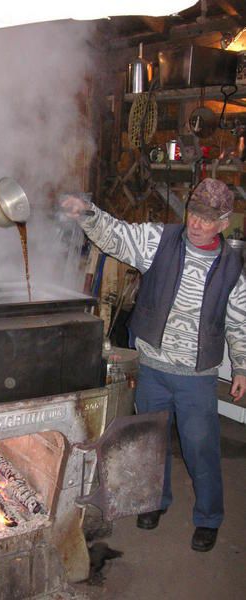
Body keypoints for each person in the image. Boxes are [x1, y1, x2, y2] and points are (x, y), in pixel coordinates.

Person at [62, 178, 245, 552]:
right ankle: (155, 502)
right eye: (194, 212)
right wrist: (88, 214)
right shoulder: (159, 240)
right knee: (151, 441)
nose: (196, 223)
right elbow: (115, 235)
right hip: (152, 368)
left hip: (196, 377)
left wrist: (241, 367)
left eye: (207, 219)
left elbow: (240, 322)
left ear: (223, 222)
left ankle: (209, 517)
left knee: (201, 448)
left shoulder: (232, 269)